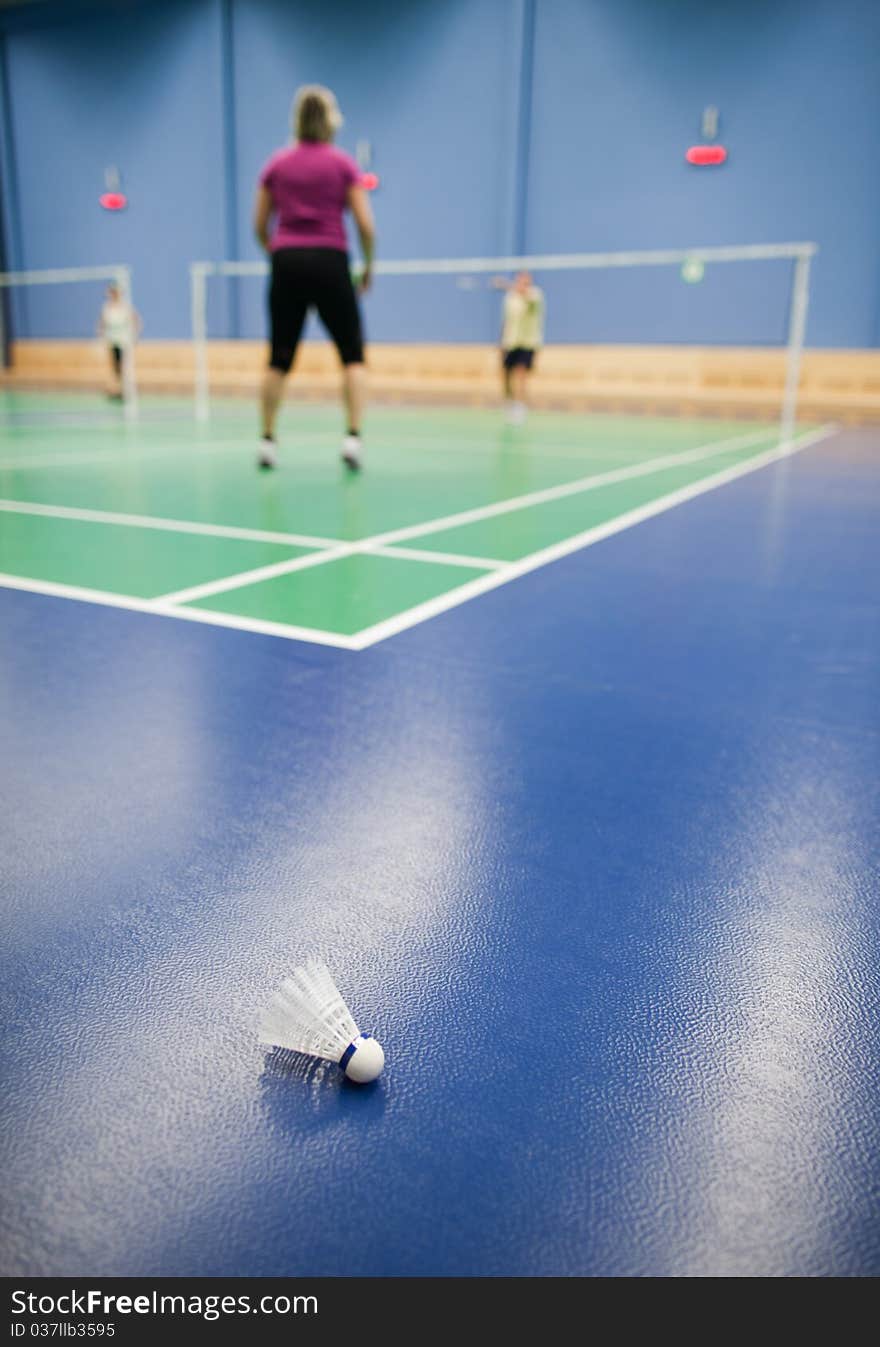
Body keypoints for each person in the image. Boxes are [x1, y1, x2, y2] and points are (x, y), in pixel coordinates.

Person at [253, 84, 375, 470]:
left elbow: (259, 224)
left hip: (286, 260)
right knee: (352, 357)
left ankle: (267, 441)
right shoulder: (342, 165)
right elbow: (366, 227)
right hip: (330, 260)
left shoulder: (277, 164)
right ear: (331, 121)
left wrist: (276, 253)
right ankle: (353, 438)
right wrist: (368, 267)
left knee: (279, 358)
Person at [492, 271, 544, 424]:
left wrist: (504, 285)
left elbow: (527, 298)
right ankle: (508, 402)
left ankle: (520, 406)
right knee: (506, 374)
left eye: (525, 281)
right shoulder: (510, 298)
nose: (523, 283)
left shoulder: (536, 294)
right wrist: (501, 342)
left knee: (521, 374)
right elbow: (506, 320)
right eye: (520, 280)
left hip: (528, 342)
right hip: (510, 342)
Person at [97, 282, 141, 400]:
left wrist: (135, 335)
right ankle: (116, 389)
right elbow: (102, 323)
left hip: (123, 341)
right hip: (112, 340)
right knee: (115, 366)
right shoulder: (107, 307)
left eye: (115, 292)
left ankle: (124, 389)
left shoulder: (125, 306)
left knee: (122, 365)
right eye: (111, 292)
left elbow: (135, 319)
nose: (113, 294)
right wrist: (101, 335)